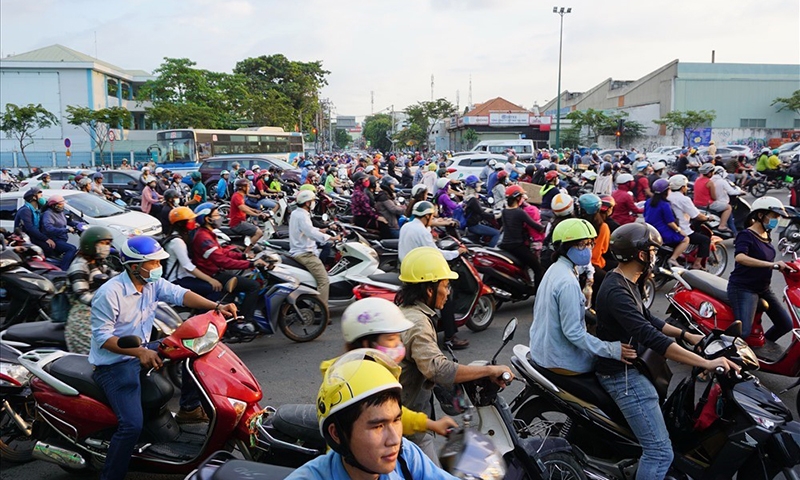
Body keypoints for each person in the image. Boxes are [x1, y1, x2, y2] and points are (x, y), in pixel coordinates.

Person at [595, 223, 737, 480]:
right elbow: (651, 337)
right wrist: (705, 363)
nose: (654, 255)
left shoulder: (628, 280)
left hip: (632, 366)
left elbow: (648, 318)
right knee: (660, 453)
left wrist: (687, 334)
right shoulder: (616, 291)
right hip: (621, 377)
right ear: (640, 254)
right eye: (652, 251)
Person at [89, 235, 238, 480]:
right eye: (154, 263)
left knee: (193, 349)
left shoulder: (151, 284)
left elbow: (181, 294)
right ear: (135, 266)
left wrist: (216, 307)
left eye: (159, 262)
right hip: (115, 364)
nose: (158, 267)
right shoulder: (110, 293)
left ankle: (189, 408)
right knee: (131, 426)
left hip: (144, 349)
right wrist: (139, 352)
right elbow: (103, 339)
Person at [395, 246, 513, 463]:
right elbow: (437, 369)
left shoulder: (406, 311)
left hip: (406, 415)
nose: (448, 292)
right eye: (445, 286)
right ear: (430, 290)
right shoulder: (419, 324)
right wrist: (489, 370)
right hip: (407, 426)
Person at [287, 349, 458, 480]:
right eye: (378, 426)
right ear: (336, 433)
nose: (394, 440)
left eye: (396, 420)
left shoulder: (406, 456)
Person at [321, 298, 458, 437]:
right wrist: (430, 424)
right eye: (391, 339)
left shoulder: (367, 368)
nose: (399, 345)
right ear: (366, 343)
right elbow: (389, 414)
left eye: (399, 338)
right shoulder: (363, 380)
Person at [530, 218, 637, 373]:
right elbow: (574, 333)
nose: (588, 249)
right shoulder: (568, 283)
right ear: (563, 248)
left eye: (589, 243)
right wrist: (613, 349)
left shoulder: (555, 269)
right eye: (581, 244)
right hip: (561, 360)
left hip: (543, 352)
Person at [398, 202, 469, 350]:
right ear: (427, 216)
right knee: (446, 297)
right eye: (432, 216)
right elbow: (436, 253)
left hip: (406, 270)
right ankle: (450, 338)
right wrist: (457, 252)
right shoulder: (422, 232)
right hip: (422, 273)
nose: (433, 218)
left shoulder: (407, 226)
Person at [727, 196, 795, 350]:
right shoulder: (746, 235)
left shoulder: (766, 235)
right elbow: (740, 257)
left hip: (763, 289)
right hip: (743, 288)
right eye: (774, 216)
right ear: (760, 215)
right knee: (743, 332)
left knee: (785, 324)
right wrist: (771, 265)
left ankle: (759, 350)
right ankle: (722, 353)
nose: (777, 220)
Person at [191, 202, 267, 325]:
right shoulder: (203, 237)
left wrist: (244, 256)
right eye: (216, 215)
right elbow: (223, 261)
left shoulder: (208, 234)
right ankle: (245, 322)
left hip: (215, 271)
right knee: (253, 286)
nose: (220, 217)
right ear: (207, 219)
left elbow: (222, 253)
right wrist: (251, 264)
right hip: (214, 275)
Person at [65, 226, 118, 354]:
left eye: (108, 244)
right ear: (90, 244)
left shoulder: (98, 262)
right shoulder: (79, 265)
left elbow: (113, 275)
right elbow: (83, 296)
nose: (106, 247)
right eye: (103, 243)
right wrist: (107, 301)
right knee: (100, 352)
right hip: (83, 316)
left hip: (99, 312)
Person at [163, 207, 223, 300]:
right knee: (215, 289)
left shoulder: (184, 236)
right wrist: (210, 280)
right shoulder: (177, 241)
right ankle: (204, 314)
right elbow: (188, 266)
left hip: (186, 276)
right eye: (191, 220)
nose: (194, 222)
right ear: (181, 223)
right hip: (177, 280)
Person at [289, 190, 335, 306]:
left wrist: (321, 230)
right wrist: (332, 238)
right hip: (305, 253)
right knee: (324, 281)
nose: (314, 203)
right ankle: (321, 311)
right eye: (313, 201)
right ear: (307, 203)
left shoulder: (297, 213)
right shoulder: (302, 216)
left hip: (300, 249)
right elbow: (310, 233)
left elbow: (307, 229)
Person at [499, 185, 546, 290]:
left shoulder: (504, 211)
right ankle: (538, 293)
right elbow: (535, 226)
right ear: (518, 198)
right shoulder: (519, 212)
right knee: (538, 268)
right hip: (517, 246)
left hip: (505, 244)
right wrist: (546, 227)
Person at [644, 179, 690, 268]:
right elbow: (670, 222)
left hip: (651, 231)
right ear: (666, 191)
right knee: (686, 239)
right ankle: (673, 258)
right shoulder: (665, 205)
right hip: (663, 234)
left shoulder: (648, 202)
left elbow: (646, 215)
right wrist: (679, 230)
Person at [668, 174, 710, 270]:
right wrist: (707, 218)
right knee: (705, 240)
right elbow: (697, 216)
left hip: (669, 227)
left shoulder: (667, 196)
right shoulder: (684, 199)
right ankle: (697, 264)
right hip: (682, 229)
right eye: (686, 186)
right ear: (683, 187)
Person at [13, 187, 56, 257]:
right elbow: (30, 228)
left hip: (33, 237)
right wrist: (46, 239)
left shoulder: (36, 210)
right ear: (34, 197)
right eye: (40, 196)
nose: (42, 198)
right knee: (48, 247)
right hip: (26, 239)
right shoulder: (25, 210)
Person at [41, 195, 79, 270]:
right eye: (60, 204)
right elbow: (48, 228)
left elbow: (67, 221)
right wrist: (67, 230)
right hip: (54, 239)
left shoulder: (60, 212)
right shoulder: (48, 214)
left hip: (61, 238)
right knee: (71, 249)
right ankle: (64, 270)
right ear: (54, 205)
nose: (62, 206)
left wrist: (79, 224)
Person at [229, 178, 265, 255]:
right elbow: (243, 209)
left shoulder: (240, 196)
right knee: (259, 233)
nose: (249, 188)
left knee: (256, 228)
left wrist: (254, 210)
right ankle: (247, 251)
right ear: (243, 188)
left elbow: (244, 206)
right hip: (238, 223)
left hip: (241, 221)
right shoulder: (237, 196)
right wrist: (257, 215)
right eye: (248, 186)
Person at [693, 163, 732, 233]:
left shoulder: (697, 180)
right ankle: (722, 226)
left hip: (697, 204)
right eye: (712, 172)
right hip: (707, 205)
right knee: (728, 207)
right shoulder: (710, 182)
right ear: (709, 173)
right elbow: (714, 197)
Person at [462, 175, 500, 247]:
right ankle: (490, 251)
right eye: (478, 185)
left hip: (472, 222)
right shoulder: (472, 199)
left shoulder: (468, 197)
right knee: (497, 233)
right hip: (473, 225)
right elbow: (482, 213)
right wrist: (495, 216)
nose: (480, 187)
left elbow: (477, 210)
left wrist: (486, 210)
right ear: (474, 186)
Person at [351, 172, 391, 238]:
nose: (367, 181)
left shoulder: (361, 191)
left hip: (364, 216)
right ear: (360, 181)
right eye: (365, 180)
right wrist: (378, 217)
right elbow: (367, 209)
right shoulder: (359, 194)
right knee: (384, 225)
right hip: (362, 219)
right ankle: (386, 244)